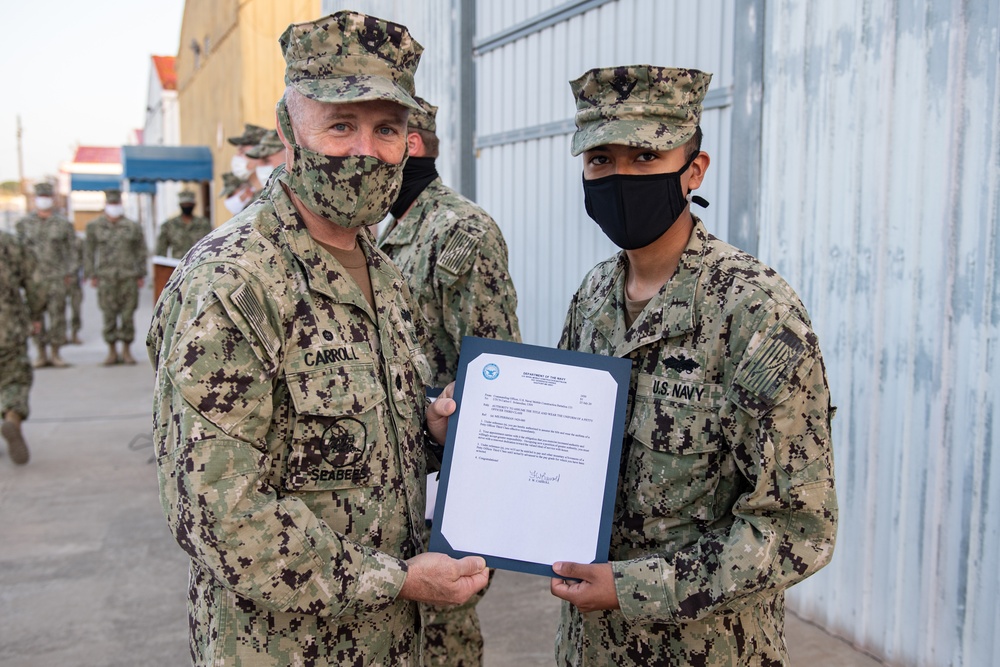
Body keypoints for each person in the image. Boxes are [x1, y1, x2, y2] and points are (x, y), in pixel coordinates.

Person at [145, 11, 488, 666]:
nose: (364, 150)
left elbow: (343, 444)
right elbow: (218, 516)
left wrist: (428, 431)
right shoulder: (234, 281)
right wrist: (400, 578)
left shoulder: (382, 274)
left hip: (390, 644)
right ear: (287, 129)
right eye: (340, 124)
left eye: (386, 128)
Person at [549, 65, 838, 665]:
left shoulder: (755, 311)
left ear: (693, 171)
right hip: (589, 647)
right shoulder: (594, 296)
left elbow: (797, 530)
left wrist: (632, 589)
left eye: (646, 157)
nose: (621, 177)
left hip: (705, 650)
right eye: (601, 159)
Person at [378, 96, 521, 666]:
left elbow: (495, 366)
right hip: (406, 475)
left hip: (447, 478)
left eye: (383, 141)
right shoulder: (390, 231)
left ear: (410, 147)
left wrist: (480, 503)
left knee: (443, 636)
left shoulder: (459, 231)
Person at [15, 182, 77, 368]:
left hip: (57, 277)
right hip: (33, 279)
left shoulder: (63, 224)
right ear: (35, 199)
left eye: (47, 196)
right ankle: (41, 353)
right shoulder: (23, 224)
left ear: (52, 198)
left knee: (57, 315)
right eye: (40, 196)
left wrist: (70, 272)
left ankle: (56, 353)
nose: (43, 200)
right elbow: (17, 252)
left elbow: (72, 250)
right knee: (35, 316)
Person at [84, 189, 147, 366]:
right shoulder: (94, 226)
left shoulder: (132, 226)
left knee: (128, 314)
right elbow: (89, 251)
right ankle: (112, 351)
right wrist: (91, 274)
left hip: (128, 276)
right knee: (109, 314)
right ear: (106, 205)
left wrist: (141, 274)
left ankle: (127, 350)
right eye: (111, 204)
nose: (114, 207)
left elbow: (141, 251)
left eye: (116, 204)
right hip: (106, 277)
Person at [0, 231, 44, 465]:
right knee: (15, 377)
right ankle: (12, 417)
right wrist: (35, 314)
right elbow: (35, 280)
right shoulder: (8, 242)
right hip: (8, 324)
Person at [154, 190, 212, 258]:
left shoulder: (203, 224)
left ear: (194, 205)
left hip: (198, 264)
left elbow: (211, 246)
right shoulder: (169, 225)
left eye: (189, 204)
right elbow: (161, 251)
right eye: (184, 204)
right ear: (180, 205)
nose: (187, 206)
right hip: (177, 264)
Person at [66, 233, 84, 344]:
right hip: (57, 279)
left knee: (76, 308)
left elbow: (84, 257)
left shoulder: (77, 241)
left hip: (74, 279)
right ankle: (61, 335)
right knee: (58, 310)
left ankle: (74, 333)